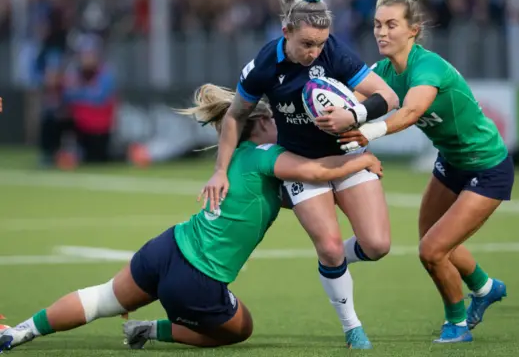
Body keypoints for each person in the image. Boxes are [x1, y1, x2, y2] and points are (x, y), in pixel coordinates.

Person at [0, 84, 383, 352]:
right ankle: (154, 330)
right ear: (264, 123)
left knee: (101, 298)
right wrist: (361, 159)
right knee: (240, 329)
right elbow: (315, 172)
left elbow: (269, 200)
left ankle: (19, 333)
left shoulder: (233, 161)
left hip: (166, 248)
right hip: (199, 279)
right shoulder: (264, 155)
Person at [200, 0, 399, 349]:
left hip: (346, 153)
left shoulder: (334, 52)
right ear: (285, 30)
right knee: (328, 244)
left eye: (319, 44)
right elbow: (234, 117)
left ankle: (333, 267)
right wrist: (220, 170)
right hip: (301, 164)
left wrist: (354, 115)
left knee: (377, 245)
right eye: (306, 44)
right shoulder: (263, 65)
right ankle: (352, 326)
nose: (313, 52)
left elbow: (388, 97)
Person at [338, 0, 513, 344]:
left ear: (413, 31)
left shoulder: (427, 67)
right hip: (452, 162)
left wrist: (366, 132)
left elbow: (411, 111)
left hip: (488, 167)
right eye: (377, 24)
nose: (381, 32)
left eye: (391, 25)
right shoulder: (383, 71)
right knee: (432, 239)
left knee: (432, 250)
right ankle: (484, 288)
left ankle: (458, 324)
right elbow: (346, 100)